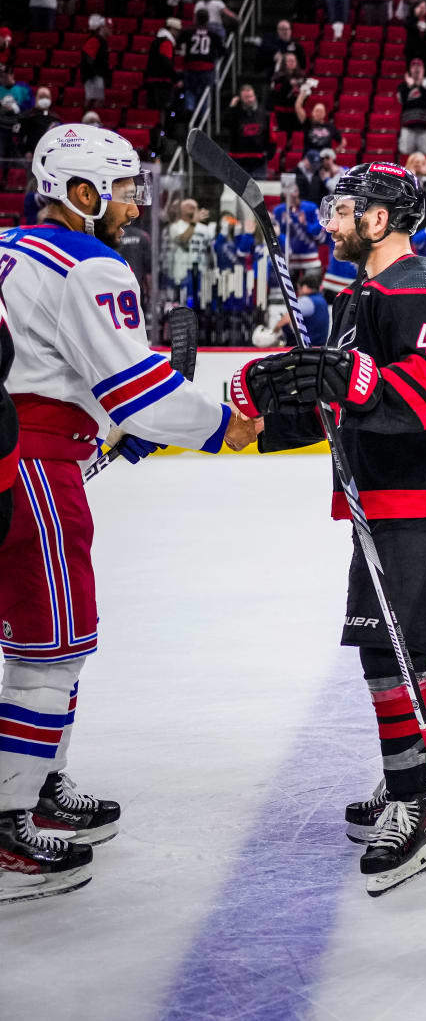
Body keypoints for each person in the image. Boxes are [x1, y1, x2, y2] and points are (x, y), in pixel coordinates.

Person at [0, 125, 256, 904]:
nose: (130, 207)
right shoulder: (89, 262)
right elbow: (139, 391)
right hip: (33, 468)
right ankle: (9, 823)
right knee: (52, 647)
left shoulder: (8, 243)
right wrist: (223, 427)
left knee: (34, 641)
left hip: (22, 447)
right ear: (78, 193)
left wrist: (111, 431)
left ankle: (36, 783)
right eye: (117, 191)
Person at [229, 163, 426, 897]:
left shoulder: (423, 282)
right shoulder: (361, 295)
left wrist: (347, 380)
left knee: (388, 650)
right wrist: (258, 423)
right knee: (396, 648)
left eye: (342, 212)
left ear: (380, 220)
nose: (328, 224)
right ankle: (403, 777)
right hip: (384, 488)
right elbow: (334, 403)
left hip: (423, 486)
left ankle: (414, 803)